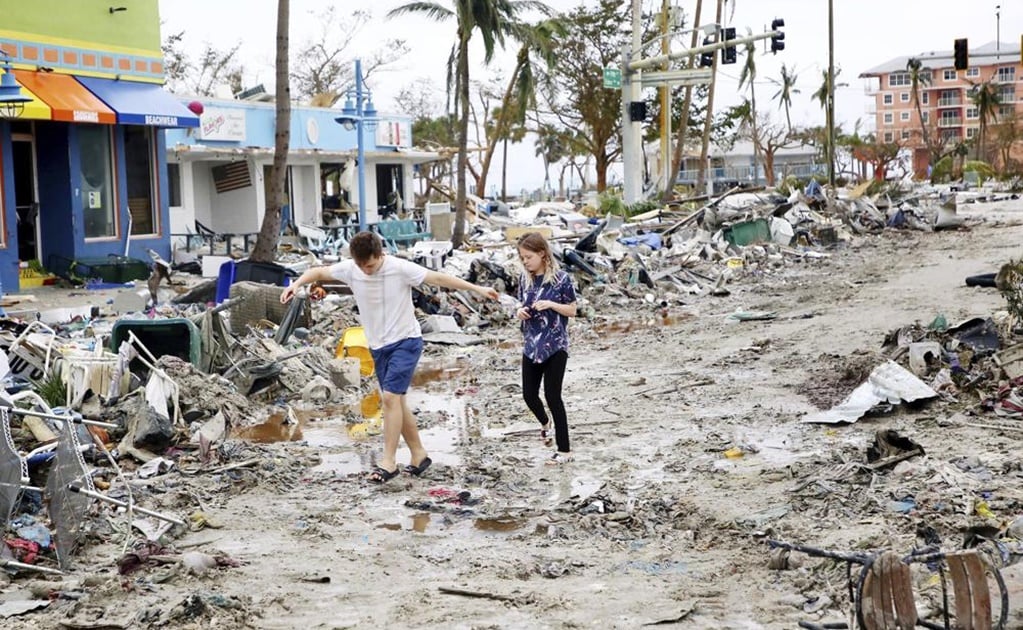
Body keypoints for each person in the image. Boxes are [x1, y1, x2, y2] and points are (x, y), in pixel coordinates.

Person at [281, 231, 499, 483]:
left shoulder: (399, 268)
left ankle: (388, 462)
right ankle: (419, 455)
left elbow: (438, 277)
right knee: (397, 402)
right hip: (378, 346)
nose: (366, 270)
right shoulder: (352, 269)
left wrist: (477, 288)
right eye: (361, 265)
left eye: (370, 265)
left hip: (406, 342)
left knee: (390, 398)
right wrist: (295, 285)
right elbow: (317, 272)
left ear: (380, 255)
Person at [515, 232, 577, 465]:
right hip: (531, 344)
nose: (525, 261)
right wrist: (519, 311)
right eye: (522, 257)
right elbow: (521, 304)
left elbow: (572, 310)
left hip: (555, 344)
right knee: (529, 395)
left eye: (528, 256)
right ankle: (544, 423)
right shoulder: (525, 280)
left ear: (542, 254)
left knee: (553, 396)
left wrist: (551, 304)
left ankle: (564, 451)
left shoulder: (562, 279)